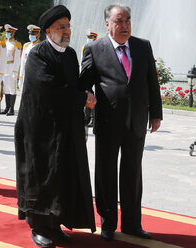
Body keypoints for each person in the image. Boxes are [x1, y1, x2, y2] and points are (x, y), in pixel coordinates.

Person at [15, 5, 96, 248]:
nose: (67, 31)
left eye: (68, 26)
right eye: (61, 27)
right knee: (40, 178)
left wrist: (92, 78)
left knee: (60, 176)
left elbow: (75, 84)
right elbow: (48, 88)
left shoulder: (70, 54)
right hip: (38, 130)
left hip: (62, 129)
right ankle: (39, 227)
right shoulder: (38, 54)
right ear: (48, 31)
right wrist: (82, 97)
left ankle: (56, 225)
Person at [79, 4, 162, 241]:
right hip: (107, 121)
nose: (124, 25)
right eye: (119, 21)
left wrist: (155, 113)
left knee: (132, 172)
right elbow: (83, 81)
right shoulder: (95, 48)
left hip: (136, 121)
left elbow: (151, 82)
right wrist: (86, 94)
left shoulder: (142, 46)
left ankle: (132, 224)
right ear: (107, 24)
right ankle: (108, 223)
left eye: (127, 20)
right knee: (105, 173)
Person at [0, 24, 21, 116]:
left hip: (11, 66)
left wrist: (15, 71)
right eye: (7, 32)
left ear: (13, 33)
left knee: (12, 88)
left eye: (9, 32)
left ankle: (12, 109)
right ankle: (7, 107)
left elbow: (17, 59)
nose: (8, 33)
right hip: (5, 67)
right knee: (6, 89)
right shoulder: (4, 42)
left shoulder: (16, 44)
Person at [81, 29, 98, 128]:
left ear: (95, 38)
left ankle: (94, 119)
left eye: (91, 37)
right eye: (88, 37)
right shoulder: (84, 47)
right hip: (87, 75)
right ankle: (87, 118)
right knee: (87, 95)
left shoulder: (98, 47)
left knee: (95, 98)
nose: (89, 39)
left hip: (96, 75)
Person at [18, 24, 41, 92]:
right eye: (30, 33)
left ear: (38, 35)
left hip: (35, 78)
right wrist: (21, 77)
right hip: (25, 76)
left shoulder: (41, 46)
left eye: (33, 34)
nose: (31, 35)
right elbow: (23, 63)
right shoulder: (26, 46)